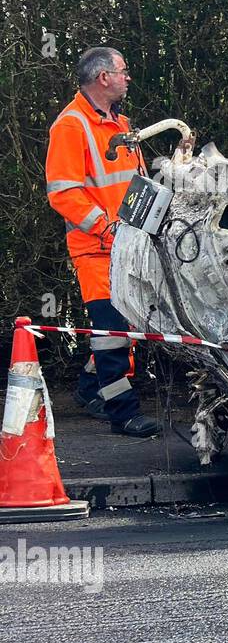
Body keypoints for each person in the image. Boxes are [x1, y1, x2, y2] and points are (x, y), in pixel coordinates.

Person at [44, 46, 160, 438]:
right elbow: (63, 193)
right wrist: (106, 227)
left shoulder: (121, 125)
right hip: (97, 250)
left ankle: (89, 389)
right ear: (103, 77)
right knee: (112, 333)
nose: (128, 77)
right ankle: (123, 413)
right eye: (123, 71)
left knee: (125, 326)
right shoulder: (71, 126)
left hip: (128, 248)